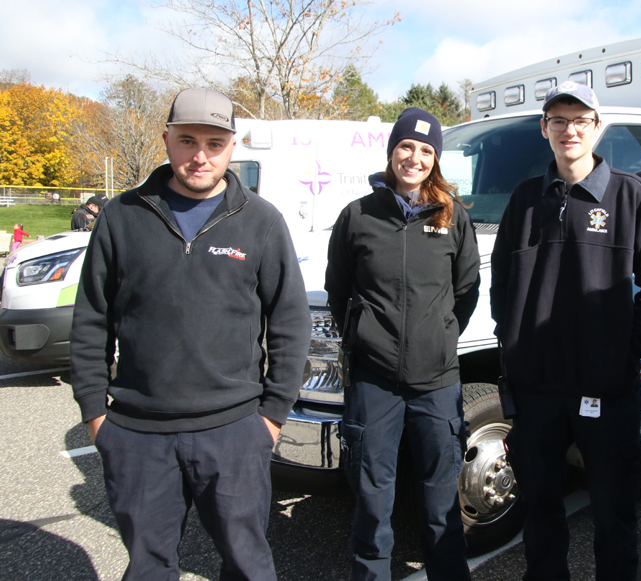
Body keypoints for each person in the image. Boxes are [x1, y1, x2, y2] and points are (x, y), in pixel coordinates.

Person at [70, 87, 311, 581]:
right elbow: (92, 319)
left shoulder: (261, 222)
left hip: (234, 432)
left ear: (232, 145)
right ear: (166, 140)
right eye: (186, 141)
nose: (199, 156)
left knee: (248, 564)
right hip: (138, 434)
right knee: (149, 567)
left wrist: (271, 417)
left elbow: (289, 321)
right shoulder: (122, 216)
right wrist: (96, 414)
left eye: (213, 143)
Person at [490, 81, 641, 580]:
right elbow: (501, 282)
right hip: (537, 393)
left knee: (615, 513)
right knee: (542, 511)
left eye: (580, 120)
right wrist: (516, 345)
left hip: (607, 393)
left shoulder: (632, 197)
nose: (569, 130)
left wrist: (618, 356)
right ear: (544, 128)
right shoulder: (526, 199)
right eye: (558, 120)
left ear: (597, 127)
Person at [326, 107, 480, 581]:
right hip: (376, 384)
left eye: (426, 150)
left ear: (436, 159)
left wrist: (439, 337)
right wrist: (366, 338)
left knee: (440, 505)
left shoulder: (452, 217)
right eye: (406, 147)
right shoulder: (357, 216)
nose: (414, 158)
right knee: (374, 504)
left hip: (436, 383)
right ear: (392, 151)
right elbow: (338, 292)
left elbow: (466, 292)